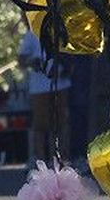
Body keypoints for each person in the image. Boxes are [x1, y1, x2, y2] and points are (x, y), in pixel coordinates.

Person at [18, 27, 71, 167]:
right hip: (39, 86)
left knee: (60, 122)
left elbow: (70, 54)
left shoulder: (63, 29)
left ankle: (60, 158)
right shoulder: (33, 33)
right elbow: (21, 59)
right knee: (40, 124)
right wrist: (34, 62)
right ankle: (40, 160)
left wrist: (67, 66)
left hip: (61, 83)